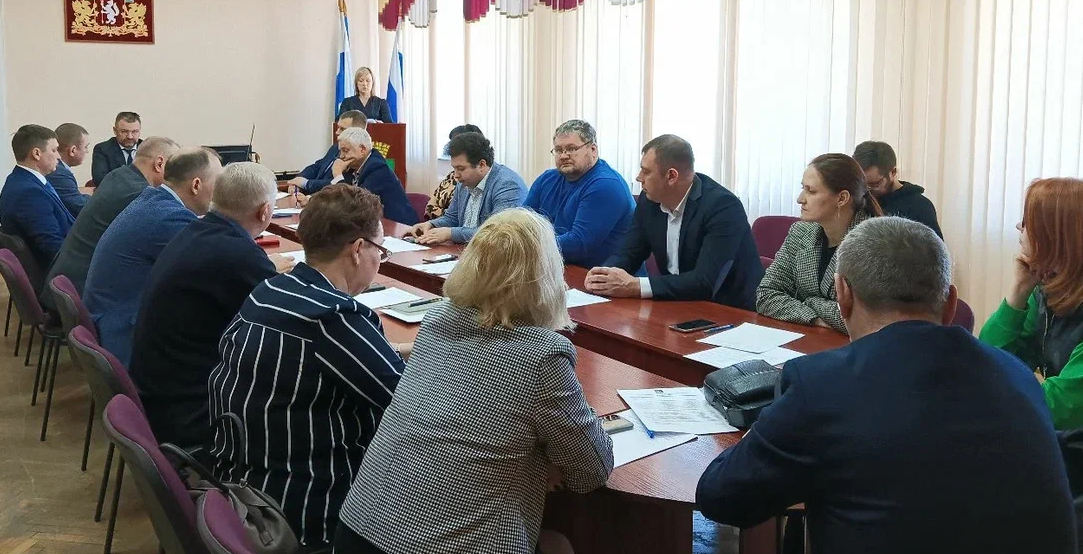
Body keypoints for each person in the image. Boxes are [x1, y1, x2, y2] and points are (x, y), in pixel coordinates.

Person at [697, 216, 1077, 554]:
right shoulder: (1017, 376)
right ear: (950, 303)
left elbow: (721, 497)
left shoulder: (821, 386)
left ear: (843, 295)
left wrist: (766, 425)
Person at [335, 208, 614, 554]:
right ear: (547, 276)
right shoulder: (542, 355)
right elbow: (591, 471)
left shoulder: (438, 319)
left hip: (358, 530)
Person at [209, 185, 410, 548]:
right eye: (380, 251)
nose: (379, 260)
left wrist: (398, 348)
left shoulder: (270, 291)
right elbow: (410, 405)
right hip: (306, 515)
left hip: (245, 488)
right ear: (358, 249)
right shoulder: (334, 317)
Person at [129, 162, 294, 449]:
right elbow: (288, 324)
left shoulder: (196, 231)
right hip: (191, 413)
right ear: (265, 211)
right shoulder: (238, 255)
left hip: (159, 395)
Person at [585, 135, 763, 309]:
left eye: (646, 171)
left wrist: (635, 286)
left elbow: (705, 281)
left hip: (729, 310)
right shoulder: (650, 200)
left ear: (671, 176)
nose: (639, 178)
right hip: (674, 302)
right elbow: (630, 253)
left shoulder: (723, 207)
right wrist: (603, 276)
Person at [83, 148, 223, 366]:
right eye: (218, 182)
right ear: (196, 185)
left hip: (110, 316)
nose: (221, 190)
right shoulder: (170, 218)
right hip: (125, 333)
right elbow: (216, 268)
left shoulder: (153, 199)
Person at [980, 177, 1083, 430]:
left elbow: (1058, 407)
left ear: (1053, 235)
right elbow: (988, 359)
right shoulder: (1049, 290)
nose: (1019, 227)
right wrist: (1019, 291)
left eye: (1026, 222)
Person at [756, 153, 882, 334]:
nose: (800, 199)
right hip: (809, 338)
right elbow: (766, 294)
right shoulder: (800, 232)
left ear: (842, 198)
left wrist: (809, 301)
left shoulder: (874, 243)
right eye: (803, 188)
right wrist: (813, 317)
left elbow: (863, 319)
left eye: (811, 191)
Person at [43, 136, 179, 304]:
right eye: (175, 168)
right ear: (159, 164)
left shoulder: (119, 175)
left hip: (67, 282)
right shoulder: (140, 194)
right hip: (84, 293)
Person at [523, 119, 635, 268]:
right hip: (557, 268)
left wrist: (525, 244)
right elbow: (521, 222)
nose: (563, 156)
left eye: (571, 149)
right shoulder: (546, 179)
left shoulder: (606, 184)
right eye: (558, 150)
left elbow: (579, 245)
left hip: (603, 276)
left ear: (593, 150)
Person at [403, 132, 526, 244]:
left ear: (481, 165)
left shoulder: (508, 185)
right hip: (464, 252)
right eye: (454, 168)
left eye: (461, 169)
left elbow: (497, 233)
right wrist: (431, 225)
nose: (456, 175)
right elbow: (452, 218)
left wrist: (450, 233)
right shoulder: (464, 182)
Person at [296, 127, 417, 225]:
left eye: (345, 150)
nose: (341, 156)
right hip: (373, 225)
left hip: (399, 228)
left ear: (362, 149)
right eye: (340, 151)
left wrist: (337, 175)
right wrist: (312, 199)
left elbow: (354, 205)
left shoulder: (377, 168)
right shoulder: (353, 166)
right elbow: (335, 191)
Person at [0, 125, 72, 272]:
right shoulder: (29, 193)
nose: (59, 156)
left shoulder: (19, 179)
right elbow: (52, 245)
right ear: (36, 153)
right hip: (58, 272)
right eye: (54, 150)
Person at [853, 140, 942, 238]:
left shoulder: (919, 206)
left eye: (875, 184)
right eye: (862, 184)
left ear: (893, 172)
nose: (867, 190)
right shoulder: (858, 200)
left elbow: (934, 247)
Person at [285, 110, 367, 195]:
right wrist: (298, 180)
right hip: (312, 195)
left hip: (329, 198)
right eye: (338, 127)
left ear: (357, 133)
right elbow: (317, 166)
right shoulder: (335, 147)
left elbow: (338, 184)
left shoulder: (356, 156)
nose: (337, 132)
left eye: (342, 129)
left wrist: (306, 184)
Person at [425, 124, 483, 220]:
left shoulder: (475, 181)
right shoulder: (451, 176)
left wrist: (445, 215)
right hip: (437, 225)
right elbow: (430, 207)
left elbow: (460, 216)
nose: (452, 148)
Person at [45, 123, 91, 217]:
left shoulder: (60, 169)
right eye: (86, 147)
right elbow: (81, 207)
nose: (87, 151)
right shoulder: (59, 173)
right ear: (73, 150)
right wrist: (96, 197)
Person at [91, 111, 143, 185]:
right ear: (115, 131)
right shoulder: (103, 149)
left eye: (135, 131)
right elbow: (100, 180)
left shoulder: (148, 149)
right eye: (124, 131)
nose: (130, 136)